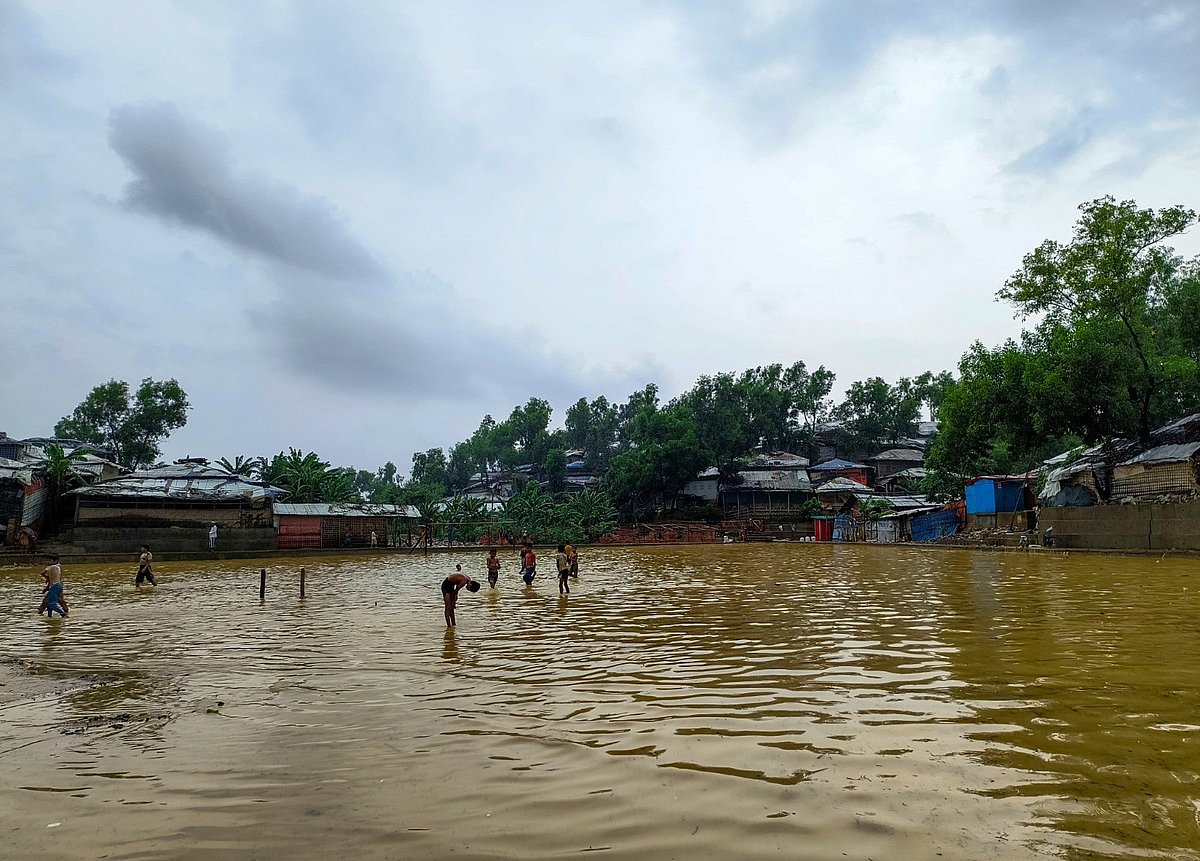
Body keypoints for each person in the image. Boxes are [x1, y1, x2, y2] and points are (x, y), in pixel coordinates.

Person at [38, 553, 68, 618]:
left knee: (50, 602)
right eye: (47, 560)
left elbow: (42, 573)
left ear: (55, 561)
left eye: (49, 560)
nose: (47, 562)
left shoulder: (52, 567)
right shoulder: (57, 566)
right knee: (54, 601)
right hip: (57, 585)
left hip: (55, 586)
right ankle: (49, 616)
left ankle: (63, 614)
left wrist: (46, 578)